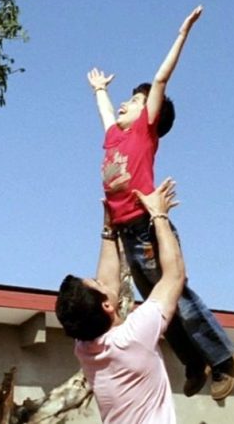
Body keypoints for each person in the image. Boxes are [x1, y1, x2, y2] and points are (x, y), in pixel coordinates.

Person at [86, 5, 234, 400]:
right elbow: (105, 111)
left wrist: (182, 34)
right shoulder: (113, 137)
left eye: (134, 102)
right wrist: (101, 90)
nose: (125, 104)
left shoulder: (142, 133)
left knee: (177, 294)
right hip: (125, 233)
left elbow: (160, 77)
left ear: (148, 114)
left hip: (146, 227)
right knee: (156, 304)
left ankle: (222, 359)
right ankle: (193, 362)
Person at [56, 178, 184, 423]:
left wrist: (109, 229)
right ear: (106, 305)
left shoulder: (85, 348)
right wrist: (159, 215)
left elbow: (108, 285)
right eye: (98, 284)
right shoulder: (134, 337)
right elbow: (174, 276)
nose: (102, 280)